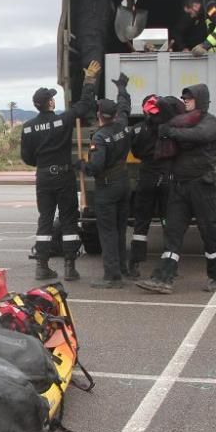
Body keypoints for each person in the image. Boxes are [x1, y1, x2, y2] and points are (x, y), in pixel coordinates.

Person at [136, 84, 216, 294]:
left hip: (201, 185)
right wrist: (157, 121)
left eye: (189, 98)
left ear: (201, 100)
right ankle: (163, 278)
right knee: (173, 232)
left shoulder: (209, 122)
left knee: (210, 231)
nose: (186, 100)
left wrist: (170, 131)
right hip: (180, 186)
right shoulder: (180, 121)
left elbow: (198, 135)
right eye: (184, 98)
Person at [20, 60, 100, 282]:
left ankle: (42, 266)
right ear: (50, 103)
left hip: (43, 177)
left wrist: (43, 164)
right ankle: (69, 267)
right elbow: (84, 105)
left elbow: (26, 157)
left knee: (45, 220)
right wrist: (89, 80)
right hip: (63, 176)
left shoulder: (28, 127)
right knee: (68, 220)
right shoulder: (62, 120)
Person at [80, 73, 131, 288]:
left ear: (100, 114)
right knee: (119, 229)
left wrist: (81, 165)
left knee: (107, 231)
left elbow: (95, 167)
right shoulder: (122, 124)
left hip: (107, 187)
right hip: (123, 182)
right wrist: (122, 88)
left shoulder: (100, 137)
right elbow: (125, 106)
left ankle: (112, 276)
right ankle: (123, 268)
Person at [126, 94, 181, 278]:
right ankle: (169, 265)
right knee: (168, 221)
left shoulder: (137, 129)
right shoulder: (170, 128)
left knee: (141, 223)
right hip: (167, 177)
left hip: (146, 178)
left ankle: (134, 264)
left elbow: (134, 150)